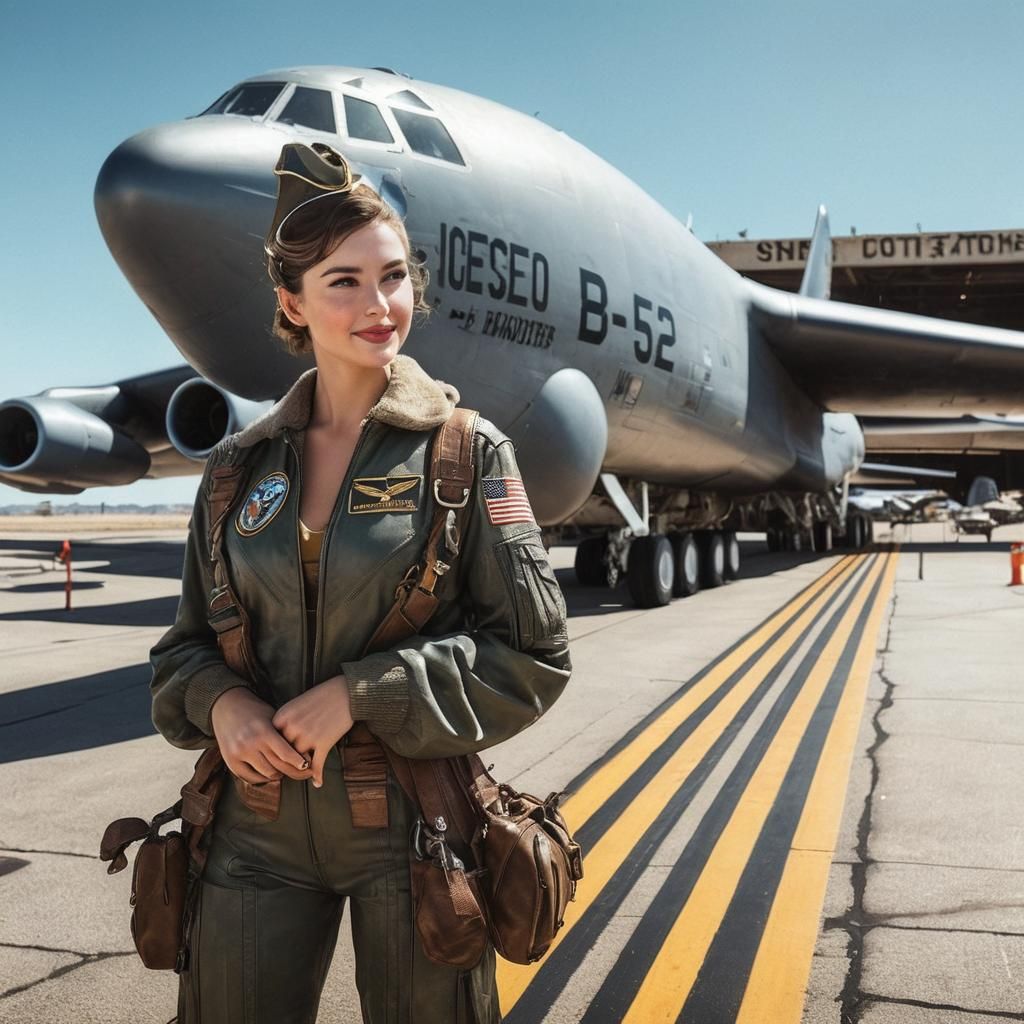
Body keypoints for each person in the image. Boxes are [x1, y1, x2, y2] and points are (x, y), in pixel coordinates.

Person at [148, 141, 572, 1023]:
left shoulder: (466, 451)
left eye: (393, 276)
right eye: (343, 281)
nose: (378, 305)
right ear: (291, 303)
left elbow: (532, 655)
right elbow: (183, 651)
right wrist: (222, 706)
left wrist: (364, 693)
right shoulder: (236, 468)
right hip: (250, 831)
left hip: (412, 830)